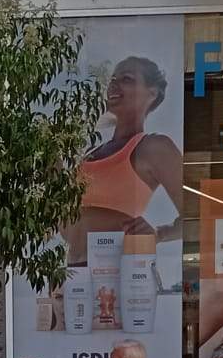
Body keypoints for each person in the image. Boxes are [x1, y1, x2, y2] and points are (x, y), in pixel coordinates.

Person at [63, 56, 184, 276]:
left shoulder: (154, 147)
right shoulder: (90, 154)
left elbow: (201, 218)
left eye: (126, 79)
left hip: (120, 276)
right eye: (113, 79)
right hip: (73, 275)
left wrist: (159, 234)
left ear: (152, 93)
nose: (114, 84)